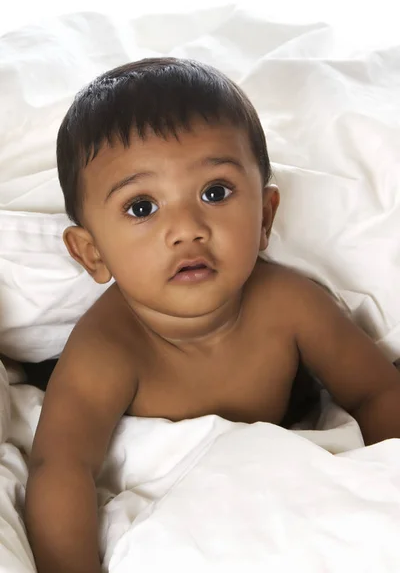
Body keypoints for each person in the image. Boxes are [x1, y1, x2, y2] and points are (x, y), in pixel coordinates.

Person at [25, 58, 400, 573]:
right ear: (92, 253)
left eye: (215, 192)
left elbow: (377, 391)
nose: (187, 228)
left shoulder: (289, 305)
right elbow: (59, 469)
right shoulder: (107, 351)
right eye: (141, 207)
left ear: (265, 217)